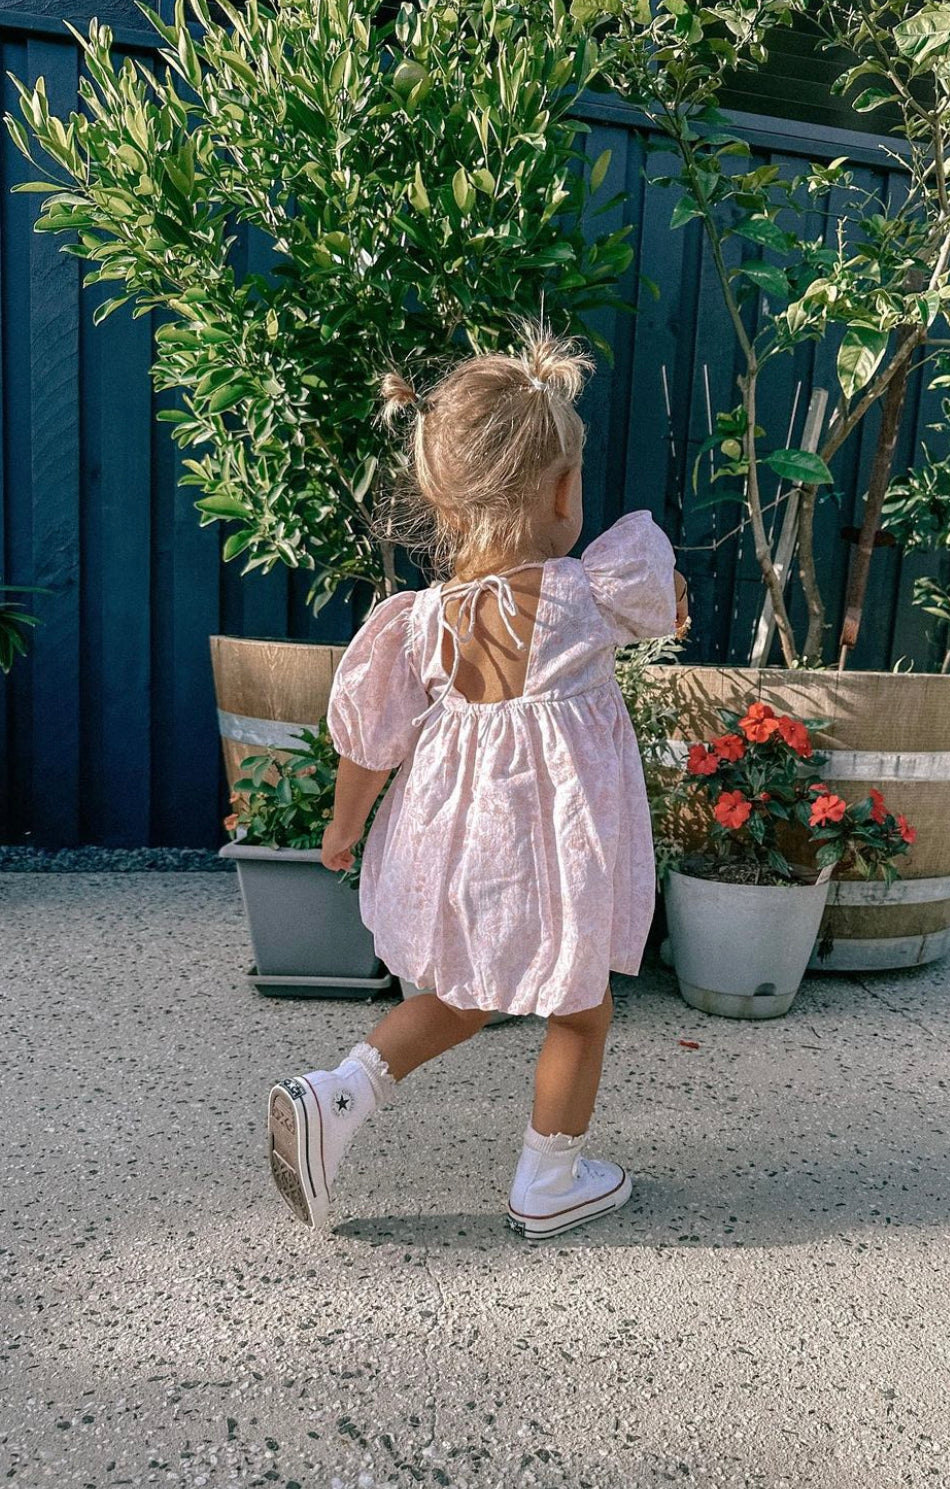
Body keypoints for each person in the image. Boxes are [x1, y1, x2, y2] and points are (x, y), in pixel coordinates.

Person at [267, 321, 689, 1242]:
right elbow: (668, 607)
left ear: (443, 504)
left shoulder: (414, 625)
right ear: (565, 488)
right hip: (559, 859)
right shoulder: (589, 593)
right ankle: (549, 1176)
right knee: (579, 1010)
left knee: (462, 992)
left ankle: (338, 1095)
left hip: (461, 856)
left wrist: (342, 831)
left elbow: (369, 744)